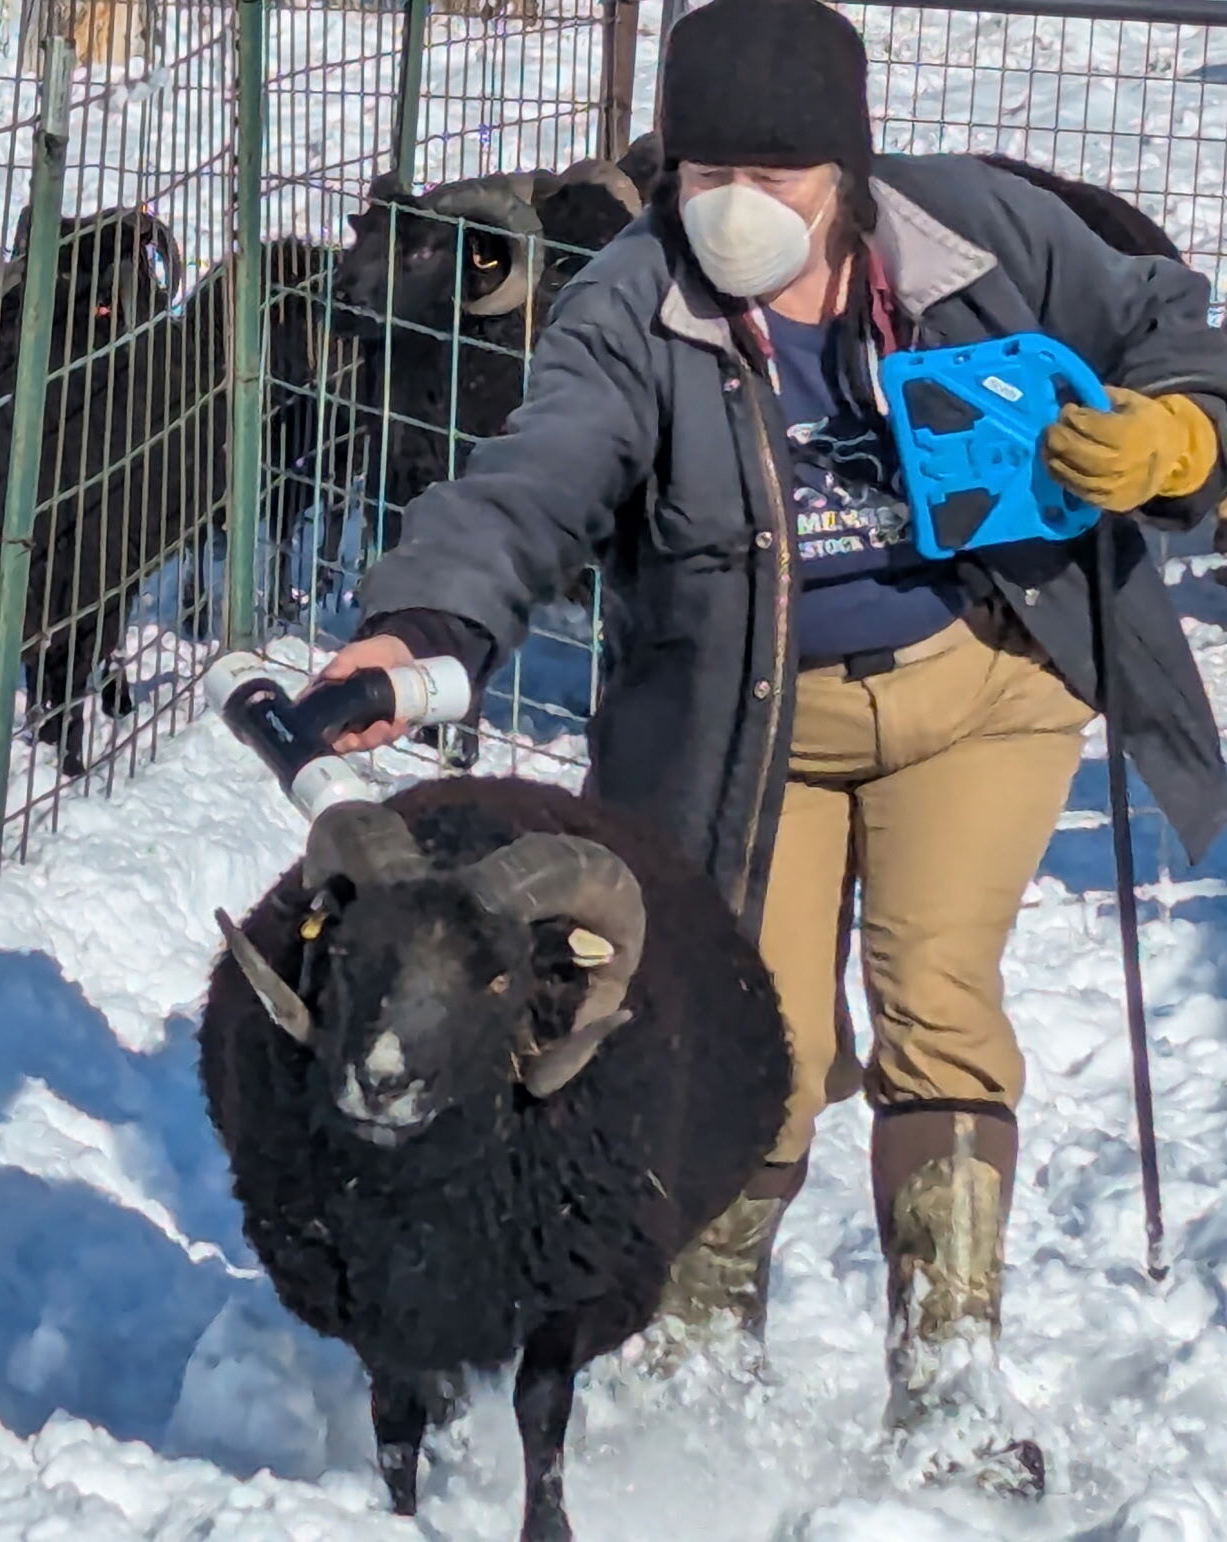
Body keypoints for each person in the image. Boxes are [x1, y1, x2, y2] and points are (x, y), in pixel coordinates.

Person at [320, 0, 1227, 1497]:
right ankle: (691, 1360)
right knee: (757, 1045)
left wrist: (1182, 432)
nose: (737, 207)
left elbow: (1168, 316)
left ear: (849, 173)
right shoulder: (631, 305)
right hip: (753, 714)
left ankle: (949, 1370)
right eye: (703, 174)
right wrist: (422, 621)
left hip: (982, 680)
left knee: (939, 1000)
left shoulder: (982, 236)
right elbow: (531, 482)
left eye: (779, 176)